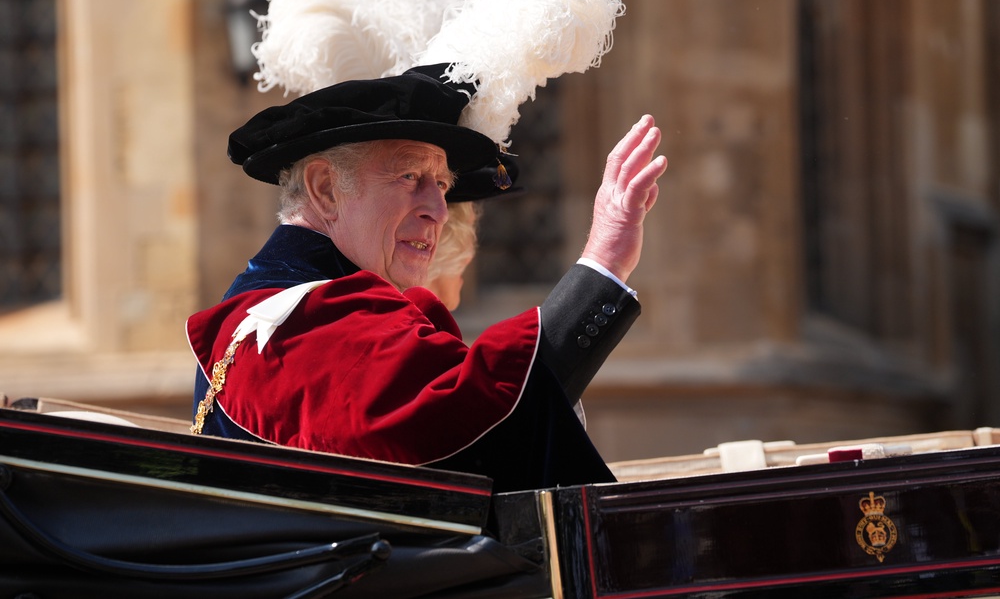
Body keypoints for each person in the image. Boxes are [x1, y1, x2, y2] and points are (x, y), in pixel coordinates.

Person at [187, 65, 665, 493]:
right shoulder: (299, 321)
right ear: (326, 189)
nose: (438, 210)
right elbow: (473, 415)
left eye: (441, 184)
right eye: (409, 177)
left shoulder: (294, 304)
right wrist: (603, 263)